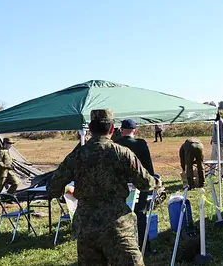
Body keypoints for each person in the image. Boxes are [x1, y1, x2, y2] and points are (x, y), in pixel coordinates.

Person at [47, 109, 160, 266]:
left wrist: (67, 189)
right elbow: (145, 183)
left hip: (87, 227)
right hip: (118, 225)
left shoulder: (77, 155)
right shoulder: (122, 153)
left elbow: (52, 187)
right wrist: (157, 182)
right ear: (112, 129)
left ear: (90, 129)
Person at [115, 119, 157, 253]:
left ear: (121, 130)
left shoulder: (114, 145)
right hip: (139, 186)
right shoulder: (141, 144)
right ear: (135, 130)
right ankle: (145, 247)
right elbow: (148, 167)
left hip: (120, 187)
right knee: (140, 214)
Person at [0, 137, 19, 208]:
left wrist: (11, 166)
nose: (10, 145)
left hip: (8, 172)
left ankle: (6, 198)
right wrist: (6, 166)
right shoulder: (0, 151)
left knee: (16, 182)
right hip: (1, 174)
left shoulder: (7, 151)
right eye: (9, 143)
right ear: (5, 143)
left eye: (11, 144)